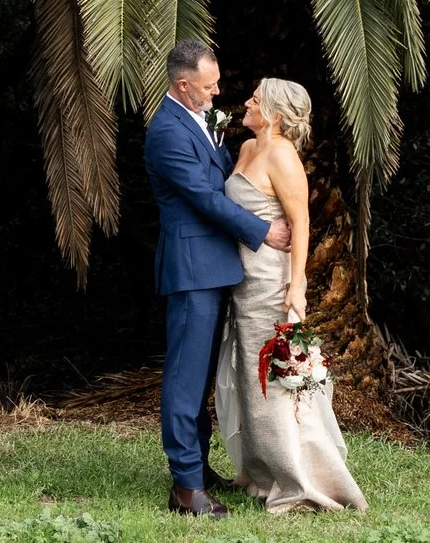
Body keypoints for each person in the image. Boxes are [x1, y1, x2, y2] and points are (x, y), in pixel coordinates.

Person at [143, 40, 291, 518]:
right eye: (209, 87)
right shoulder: (167, 131)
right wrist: (262, 229)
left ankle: (198, 468)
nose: (217, 93)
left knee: (202, 375)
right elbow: (204, 200)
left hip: (215, 266)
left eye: (217, 83)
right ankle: (186, 489)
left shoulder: (199, 120)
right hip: (191, 269)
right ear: (182, 84)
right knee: (185, 379)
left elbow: (223, 181)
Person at [212, 78, 368, 512]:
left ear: (275, 114)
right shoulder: (246, 149)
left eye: (256, 99)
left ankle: (298, 479)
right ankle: (262, 473)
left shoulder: (282, 156)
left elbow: (301, 225)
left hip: (269, 283)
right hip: (239, 282)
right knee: (249, 376)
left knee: (274, 380)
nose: (247, 102)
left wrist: (296, 288)